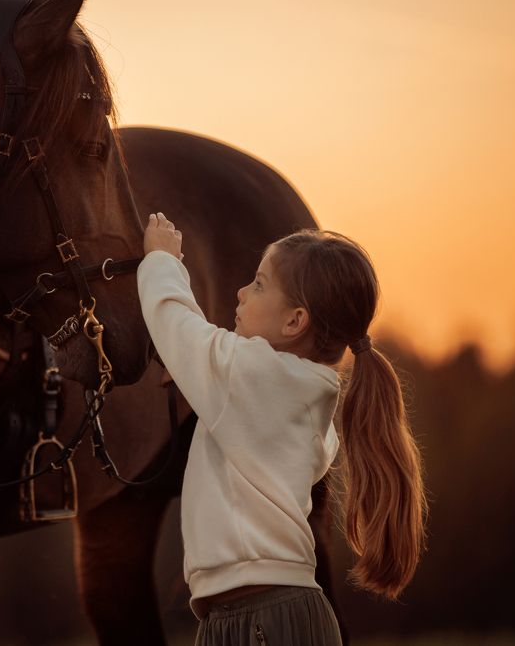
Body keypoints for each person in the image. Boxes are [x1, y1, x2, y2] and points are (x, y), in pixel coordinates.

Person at [136, 212, 428, 645]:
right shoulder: (299, 391)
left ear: (294, 322)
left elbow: (177, 328)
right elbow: (204, 351)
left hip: (259, 621)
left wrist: (162, 260)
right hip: (265, 615)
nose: (240, 292)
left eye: (258, 284)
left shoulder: (252, 379)